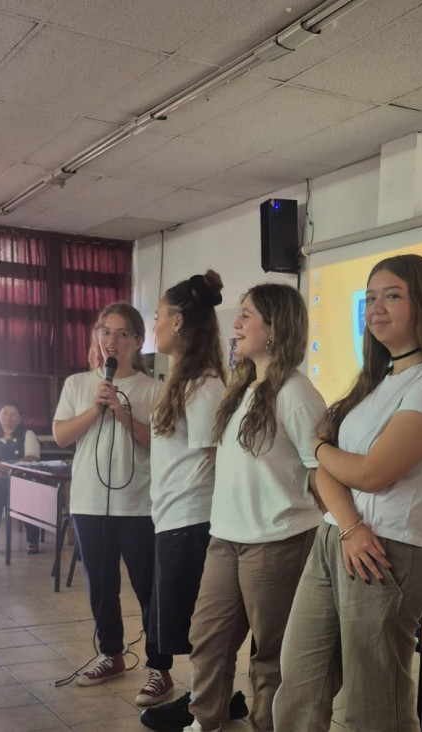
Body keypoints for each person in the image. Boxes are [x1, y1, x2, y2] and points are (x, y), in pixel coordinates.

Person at [273, 255, 422, 732]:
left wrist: (319, 446)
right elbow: (328, 474)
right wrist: (348, 525)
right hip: (343, 538)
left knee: (374, 700)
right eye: (371, 297)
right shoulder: (377, 380)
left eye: (393, 295)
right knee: (300, 683)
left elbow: (370, 474)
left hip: (388, 552)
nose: (376, 308)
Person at [150, 283, 326, 732]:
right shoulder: (244, 387)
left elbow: (321, 469)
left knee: (270, 654)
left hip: (277, 540)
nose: (236, 323)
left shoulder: (296, 392)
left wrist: (343, 529)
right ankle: (203, 721)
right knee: (207, 639)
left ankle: (267, 725)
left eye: (247, 315)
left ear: (275, 328)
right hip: (225, 538)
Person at [52, 302, 173, 703]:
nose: (112, 341)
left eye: (122, 333)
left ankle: (160, 668)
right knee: (101, 585)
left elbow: (163, 445)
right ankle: (111, 654)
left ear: (139, 341)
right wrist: (96, 409)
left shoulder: (155, 390)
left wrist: (124, 415)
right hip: (89, 503)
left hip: (139, 504)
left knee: (147, 586)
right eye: (105, 331)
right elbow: (61, 437)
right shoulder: (77, 384)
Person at [136, 271, 226, 708]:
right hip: (171, 516)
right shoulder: (183, 381)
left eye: (157, 317)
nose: (153, 326)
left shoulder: (204, 386)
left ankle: (206, 702)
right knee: (171, 618)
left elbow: (219, 462)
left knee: (194, 624)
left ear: (176, 323)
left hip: (193, 519)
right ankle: (196, 698)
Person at [0, 401, 41, 555]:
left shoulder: (28, 434)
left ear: (20, 418)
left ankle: (32, 540)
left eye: (14, 414)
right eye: (5, 413)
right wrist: (14, 465)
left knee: (29, 492)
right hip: (0, 482)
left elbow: (31, 459)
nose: (9, 417)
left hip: (24, 478)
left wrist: (2, 469)